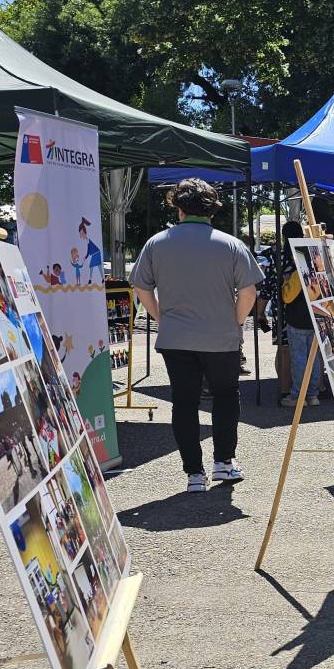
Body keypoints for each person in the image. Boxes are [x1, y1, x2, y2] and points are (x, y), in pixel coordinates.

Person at [131, 178, 263, 493]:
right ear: (212, 209)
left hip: (176, 337)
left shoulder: (157, 243)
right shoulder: (231, 244)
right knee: (226, 396)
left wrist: (161, 316)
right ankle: (224, 463)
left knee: (184, 402)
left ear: (178, 207)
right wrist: (236, 321)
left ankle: (193, 473)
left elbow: (141, 287)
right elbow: (249, 292)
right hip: (221, 337)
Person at [278, 221, 323, 408]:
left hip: (296, 315)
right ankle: (313, 395)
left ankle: (298, 395)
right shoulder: (316, 260)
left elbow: (285, 294)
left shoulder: (290, 261)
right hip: (316, 313)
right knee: (314, 358)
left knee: (298, 358)